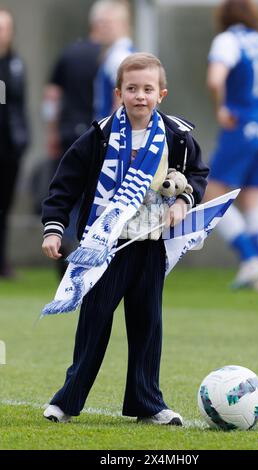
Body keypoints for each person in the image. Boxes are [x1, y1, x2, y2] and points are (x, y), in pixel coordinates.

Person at [41, 52, 209, 425]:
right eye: (132, 89)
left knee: (148, 323)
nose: (140, 96)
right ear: (119, 92)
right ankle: (67, 402)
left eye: (148, 89)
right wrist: (54, 227)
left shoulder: (177, 136)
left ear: (161, 94)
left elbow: (198, 173)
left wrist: (184, 200)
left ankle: (147, 403)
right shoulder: (99, 135)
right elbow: (63, 185)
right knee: (94, 322)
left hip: (150, 246)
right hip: (108, 245)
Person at [204, 0, 258, 289]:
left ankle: (251, 256)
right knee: (254, 193)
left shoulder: (227, 41)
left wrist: (220, 108)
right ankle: (255, 270)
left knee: (211, 192)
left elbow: (215, 80)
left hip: (242, 126)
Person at [41, 1, 104, 276]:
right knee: (95, 193)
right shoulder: (113, 56)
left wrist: (52, 130)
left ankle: (64, 240)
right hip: (97, 134)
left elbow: (52, 96)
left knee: (69, 189)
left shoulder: (69, 54)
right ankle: (84, 247)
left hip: (69, 132)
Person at [0, 9, 29, 278]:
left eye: (5, 28)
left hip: (10, 149)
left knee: (4, 206)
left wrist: (23, 137)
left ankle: (2, 261)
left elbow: (18, 106)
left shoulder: (16, 64)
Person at [93, 0, 135, 120]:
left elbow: (122, 101)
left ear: (123, 25)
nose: (102, 28)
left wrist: (111, 134)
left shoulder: (119, 56)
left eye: (107, 24)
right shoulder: (115, 53)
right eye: (99, 24)